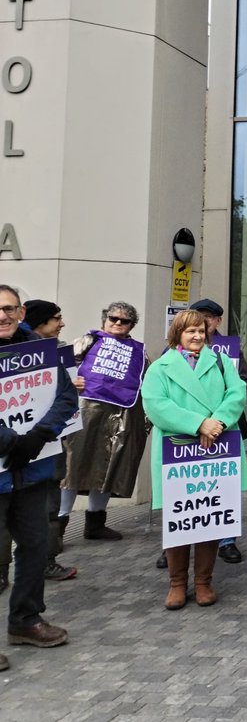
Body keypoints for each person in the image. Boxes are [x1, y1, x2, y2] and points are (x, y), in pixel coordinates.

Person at [141, 310, 247, 609]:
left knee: (209, 516)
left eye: (201, 331)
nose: (197, 336)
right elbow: (155, 405)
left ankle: (203, 582)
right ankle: (177, 583)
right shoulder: (161, 367)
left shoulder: (221, 361)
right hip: (178, 449)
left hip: (216, 446)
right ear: (178, 334)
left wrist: (217, 423)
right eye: (190, 332)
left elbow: (237, 393)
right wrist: (199, 424)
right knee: (180, 517)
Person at [0, 284, 76, 669]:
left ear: (22, 310)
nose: (3, 316)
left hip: (32, 471)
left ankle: (25, 620)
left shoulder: (39, 351)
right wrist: (9, 441)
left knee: (33, 547)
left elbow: (65, 397)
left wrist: (37, 436)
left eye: (10, 308)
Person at [62, 301, 149, 540]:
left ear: (132, 325)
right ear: (105, 320)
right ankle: (57, 528)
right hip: (86, 411)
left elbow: (147, 384)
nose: (118, 323)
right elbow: (63, 368)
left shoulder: (140, 352)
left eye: (125, 321)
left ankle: (95, 523)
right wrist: (71, 380)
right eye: (114, 319)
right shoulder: (87, 341)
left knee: (109, 466)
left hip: (121, 415)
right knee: (72, 467)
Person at [191, 298, 247, 565]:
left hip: (225, 428)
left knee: (224, 486)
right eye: (199, 317)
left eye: (210, 318)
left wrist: (219, 416)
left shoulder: (229, 349)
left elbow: (245, 382)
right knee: (185, 487)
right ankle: (178, 541)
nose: (205, 322)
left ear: (218, 321)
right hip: (188, 430)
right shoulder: (174, 349)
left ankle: (226, 541)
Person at [19, 300, 76, 584]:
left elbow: (66, 398)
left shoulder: (52, 352)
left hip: (46, 446)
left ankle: (44, 562)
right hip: (18, 451)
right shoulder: (20, 350)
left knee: (47, 504)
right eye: (56, 318)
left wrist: (41, 434)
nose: (61, 323)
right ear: (40, 321)